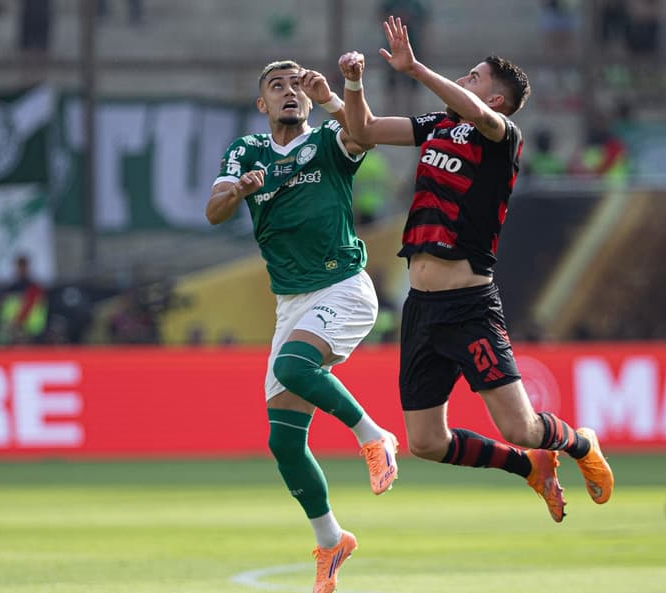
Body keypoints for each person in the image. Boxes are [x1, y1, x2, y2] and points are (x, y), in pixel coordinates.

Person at [339, 17, 614, 526]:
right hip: (421, 307)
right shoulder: (439, 124)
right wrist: (354, 85)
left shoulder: (501, 135)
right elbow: (364, 131)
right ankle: (528, 468)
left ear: (499, 101)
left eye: (474, 76)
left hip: (468, 305)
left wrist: (416, 67)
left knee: (523, 426)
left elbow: (479, 115)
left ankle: (578, 443)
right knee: (424, 442)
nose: (464, 80)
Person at [205, 60, 398, 593]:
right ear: (262, 105)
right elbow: (214, 211)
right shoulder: (247, 151)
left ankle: (374, 435)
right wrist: (240, 190)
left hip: (343, 285)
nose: (289, 93)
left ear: (307, 102)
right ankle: (332, 539)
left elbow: (366, 135)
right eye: (276, 87)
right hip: (291, 302)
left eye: (296, 87)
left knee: (293, 366)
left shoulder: (328, 142)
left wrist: (342, 94)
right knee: (285, 444)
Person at [0, 254, 47, 345]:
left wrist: (16, 323)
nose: (20, 269)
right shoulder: (10, 288)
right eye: (19, 266)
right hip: (10, 329)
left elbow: (29, 307)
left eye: (23, 266)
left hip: (30, 330)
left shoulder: (34, 288)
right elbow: (4, 310)